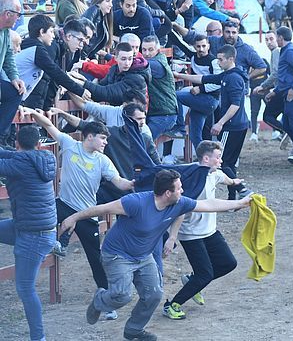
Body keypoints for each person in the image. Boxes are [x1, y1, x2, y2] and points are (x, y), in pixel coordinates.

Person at [58, 170, 252, 341]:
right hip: (118, 254)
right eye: (179, 188)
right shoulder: (136, 203)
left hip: (144, 256)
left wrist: (240, 203)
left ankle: (134, 330)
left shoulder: (179, 203)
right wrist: (74, 217)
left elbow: (209, 204)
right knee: (122, 295)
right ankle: (100, 299)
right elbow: (103, 208)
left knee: (154, 294)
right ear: (168, 193)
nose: (182, 191)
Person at [28, 111, 132, 295]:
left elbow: (119, 182)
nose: (105, 142)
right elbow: (49, 125)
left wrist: (133, 183)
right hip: (64, 204)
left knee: (95, 259)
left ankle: (106, 297)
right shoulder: (69, 144)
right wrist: (31, 112)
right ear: (89, 137)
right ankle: (54, 243)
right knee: (40, 214)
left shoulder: (103, 160)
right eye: (102, 138)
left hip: (87, 213)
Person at [162, 141, 240, 320]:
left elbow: (226, 179)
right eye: (217, 157)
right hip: (191, 234)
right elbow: (182, 209)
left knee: (228, 263)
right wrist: (172, 237)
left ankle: (192, 281)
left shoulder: (215, 174)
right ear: (206, 158)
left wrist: (235, 182)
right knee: (205, 274)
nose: (221, 161)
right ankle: (172, 305)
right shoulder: (195, 179)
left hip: (210, 231)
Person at [0, 124, 58, 341]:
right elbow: (7, 154)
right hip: (31, 229)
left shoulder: (19, 164)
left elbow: (8, 160)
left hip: (33, 235)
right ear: (38, 143)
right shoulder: (43, 158)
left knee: (25, 288)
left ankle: (38, 338)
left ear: (16, 142)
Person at [174, 45, 252, 198]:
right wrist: (179, 75)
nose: (218, 62)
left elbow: (235, 105)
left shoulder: (233, 78)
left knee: (221, 162)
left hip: (232, 126)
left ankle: (241, 189)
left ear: (231, 59)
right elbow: (204, 79)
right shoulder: (228, 75)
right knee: (228, 162)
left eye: (221, 60)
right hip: (238, 125)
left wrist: (220, 123)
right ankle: (233, 197)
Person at [262, 26, 293, 164]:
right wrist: (275, 92)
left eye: (276, 37)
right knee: (289, 124)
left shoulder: (290, 51)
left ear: (281, 38)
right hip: (287, 91)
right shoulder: (286, 51)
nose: (276, 39)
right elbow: (285, 76)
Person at [140, 36, 179, 141]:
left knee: (143, 143)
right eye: (144, 50)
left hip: (163, 115)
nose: (147, 53)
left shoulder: (155, 64)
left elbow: (134, 66)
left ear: (158, 50)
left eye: (150, 49)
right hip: (158, 113)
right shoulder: (151, 61)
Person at [0, 0, 25, 146]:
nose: (19, 18)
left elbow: (8, 57)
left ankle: (1, 137)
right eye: (18, 14)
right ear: (7, 14)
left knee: (15, 92)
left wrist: (15, 78)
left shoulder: (6, 32)